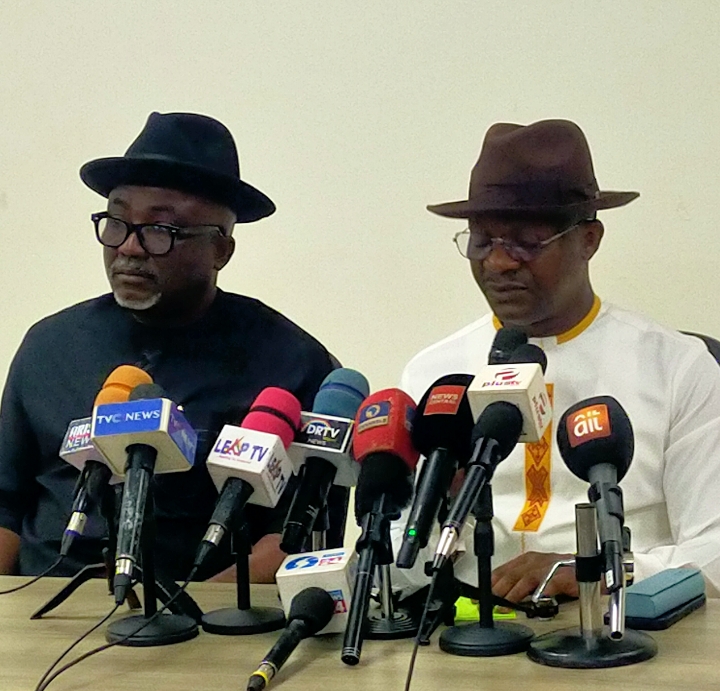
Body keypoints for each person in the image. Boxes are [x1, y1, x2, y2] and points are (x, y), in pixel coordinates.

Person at [0, 112, 342, 584]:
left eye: (160, 230)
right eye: (117, 222)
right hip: (43, 603)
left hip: (207, 613)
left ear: (221, 250)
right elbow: (5, 506)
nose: (129, 247)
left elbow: (298, 539)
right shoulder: (50, 346)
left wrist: (193, 611)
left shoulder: (292, 363)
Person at [392, 119, 720, 602]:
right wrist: (435, 518)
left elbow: (714, 553)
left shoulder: (677, 368)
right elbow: (398, 557)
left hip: (625, 626)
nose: (498, 263)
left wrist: (599, 572)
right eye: (482, 241)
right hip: (466, 628)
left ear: (589, 240)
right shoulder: (434, 375)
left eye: (526, 242)